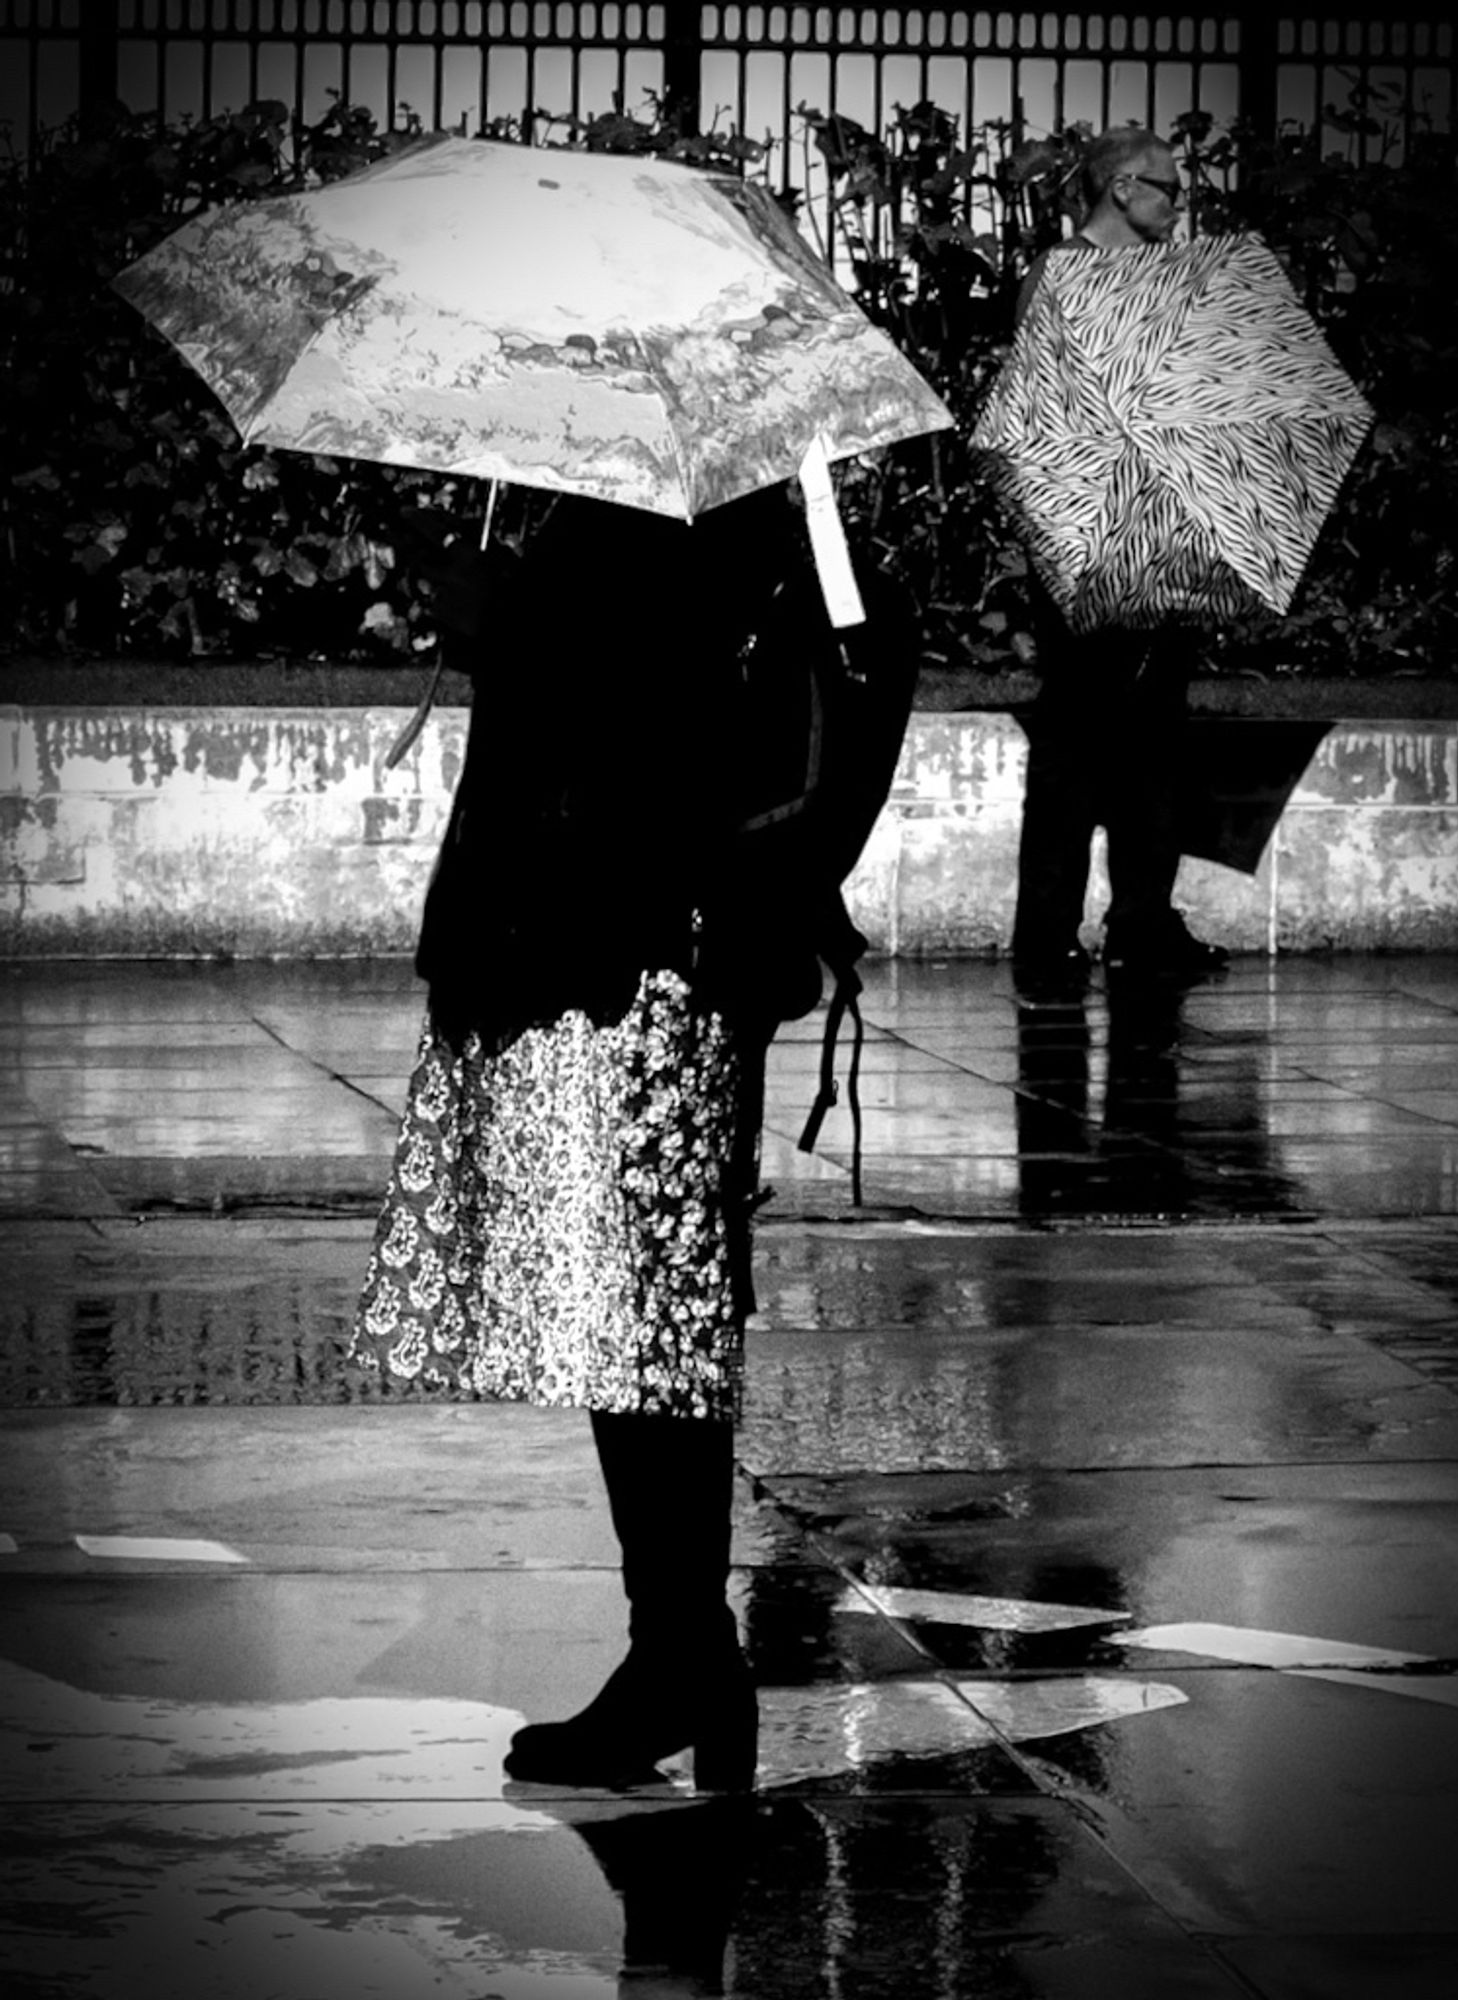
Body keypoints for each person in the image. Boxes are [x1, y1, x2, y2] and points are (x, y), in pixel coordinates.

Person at [348, 484, 908, 1795]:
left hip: (661, 966)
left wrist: (517, 632)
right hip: (606, 957)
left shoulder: (756, 551)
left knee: (652, 1316)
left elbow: (679, 754)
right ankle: (680, 1649)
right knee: (632, 1319)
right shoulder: (635, 529)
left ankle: (680, 1655)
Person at [998, 126, 1229, 1005]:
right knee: (1075, 735)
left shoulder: (1163, 278)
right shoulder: (1063, 276)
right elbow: (1055, 411)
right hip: (1089, 533)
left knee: (1156, 736)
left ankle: (1141, 920)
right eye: (1167, 189)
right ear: (1123, 188)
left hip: (1163, 528)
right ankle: (1048, 932)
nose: (1176, 204)